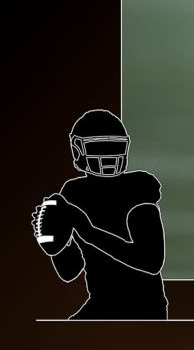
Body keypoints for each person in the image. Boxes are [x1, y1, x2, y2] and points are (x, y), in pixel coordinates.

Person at [31, 110, 168, 319]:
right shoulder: (73, 193)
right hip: (102, 302)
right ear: (78, 149)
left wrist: (88, 231)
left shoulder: (138, 190)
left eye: (115, 147)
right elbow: (69, 272)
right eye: (99, 147)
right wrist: (52, 243)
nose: (109, 156)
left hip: (143, 305)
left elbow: (151, 261)